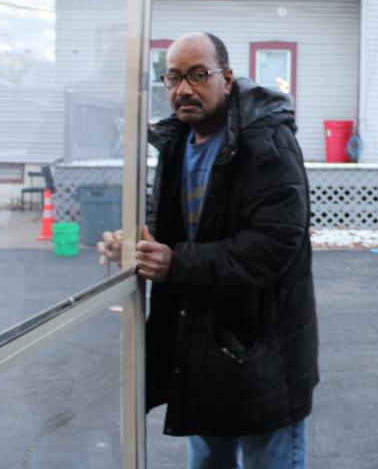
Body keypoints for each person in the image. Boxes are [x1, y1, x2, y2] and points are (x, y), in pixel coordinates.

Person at [98, 32, 318, 469]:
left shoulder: (266, 143)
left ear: (228, 79)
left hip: (263, 350)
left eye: (199, 75)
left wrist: (176, 262)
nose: (184, 89)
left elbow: (273, 246)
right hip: (201, 350)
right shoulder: (177, 145)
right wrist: (138, 247)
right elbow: (179, 228)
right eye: (174, 78)